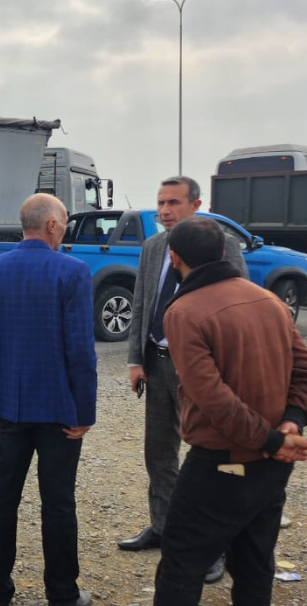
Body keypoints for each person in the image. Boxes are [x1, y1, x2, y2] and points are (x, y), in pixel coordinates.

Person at [153, 216, 307, 606]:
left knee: (181, 563)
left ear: (174, 257)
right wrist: (292, 421)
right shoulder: (269, 300)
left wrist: (275, 439)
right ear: (223, 252)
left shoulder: (183, 312)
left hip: (222, 463)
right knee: (255, 562)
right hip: (271, 464)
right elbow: (302, 368)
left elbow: (213, 399)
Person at [0, 194, 96, 606]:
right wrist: (85, 413)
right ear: (53, 225)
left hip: (5, 405)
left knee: (2, 499)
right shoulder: (73, 272)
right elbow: (80, 349)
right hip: (60, 409)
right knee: (58, 503)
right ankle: (62, 593)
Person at [120, 176, 247, 585]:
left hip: (202, 368)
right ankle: (162, 525)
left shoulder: (222, 245)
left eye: (173, 202)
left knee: (209, 457)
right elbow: (141, 304)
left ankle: (213, 545)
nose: (164, 211)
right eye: (160, 203)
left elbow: (236, 304)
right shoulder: (152, 247)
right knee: (159, 452)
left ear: (196, 204)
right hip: (157, 364)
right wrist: (135, 360)